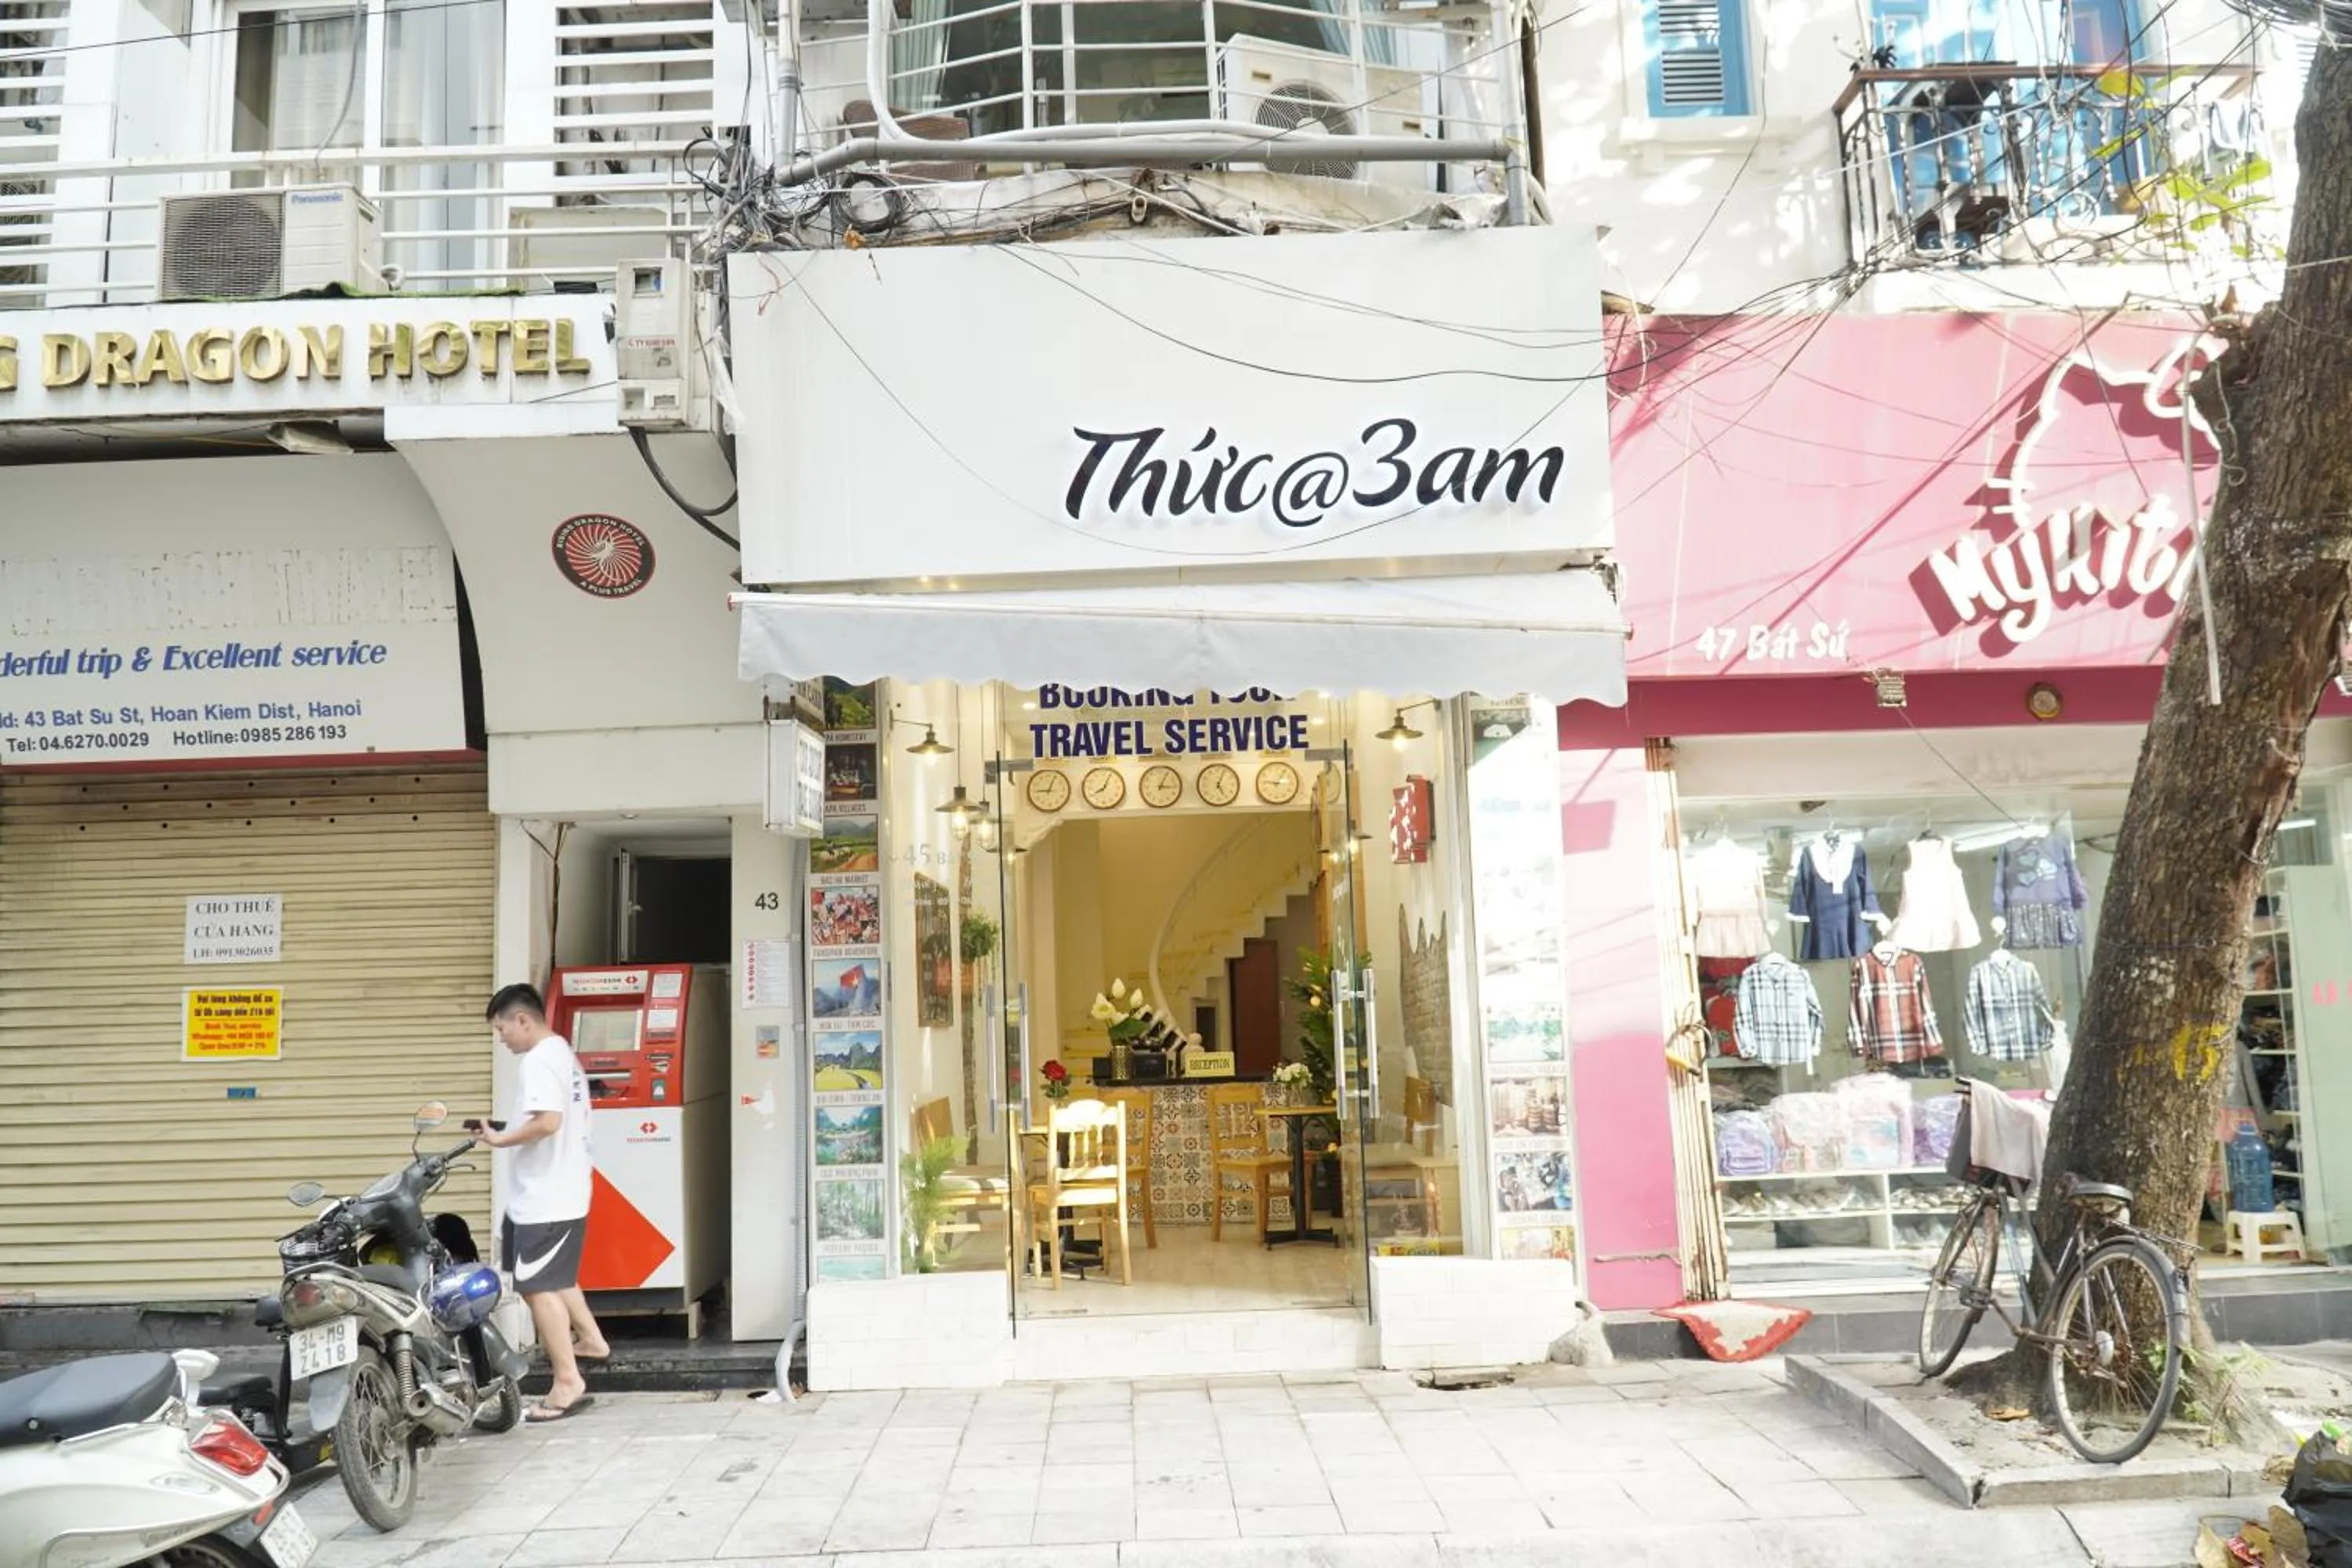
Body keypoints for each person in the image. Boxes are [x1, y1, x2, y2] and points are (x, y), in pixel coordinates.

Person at [476, 982, 608, 1421]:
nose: (501, 1039)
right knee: (556, 1275)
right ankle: (591, 1339)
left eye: (501, 1029)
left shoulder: (537, 1060)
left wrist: (500, 1139)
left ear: (522, 1021)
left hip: (547, 1197)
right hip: (558, 1191)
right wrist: (509, 1127)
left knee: (536, 1287)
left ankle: (567, 1380)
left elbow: (548, 1122)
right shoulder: (562, 1053)